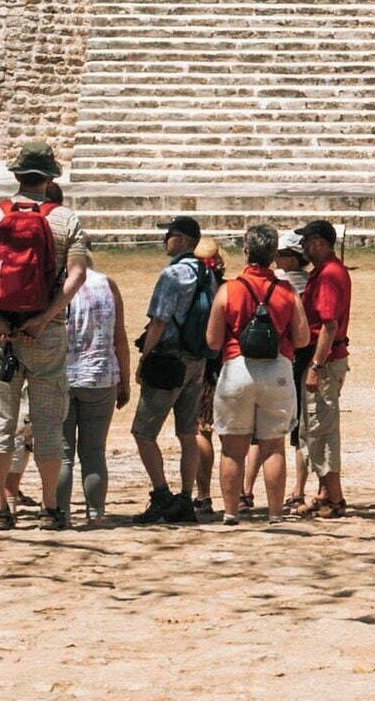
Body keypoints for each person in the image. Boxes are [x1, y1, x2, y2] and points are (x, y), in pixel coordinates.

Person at [0, 141, 89, 529]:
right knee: (49, 423)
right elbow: (78, 275)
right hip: (46, 332)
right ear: (49, 178)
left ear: (16, 175)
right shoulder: (65, 221)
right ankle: (51, 507)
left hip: (0, 334)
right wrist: (46, 317)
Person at [204, 221, 305, 521]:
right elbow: (302, 338)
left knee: (233, 448)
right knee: (274, 446)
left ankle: (232, 511)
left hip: (237, 367)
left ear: (246, 251)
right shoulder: (287, 290)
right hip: (276, 369)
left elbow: (212, 340)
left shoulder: (230, 289)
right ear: (274, 254)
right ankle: (275, 512)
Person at [128, 215, 215, 522]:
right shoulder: (209, 273)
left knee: (143, 431)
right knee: (188, 432)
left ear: (183, 240)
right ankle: (186, 497)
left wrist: (144, 358)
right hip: (197, 359)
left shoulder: (174, 275)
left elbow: (159, 320)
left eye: (170, 234)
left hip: (168, 358)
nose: (166, 240)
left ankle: (161, 494)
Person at [52, 245, 128, 526]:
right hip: (101, 375)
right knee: (94, 450)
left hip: (61, 375)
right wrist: (124, 379)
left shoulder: (57, 287)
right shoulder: (107, 284)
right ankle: (95, 513)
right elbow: (119, 337)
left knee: (63, 452)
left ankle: (61, 513)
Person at [292, 219, 355, 517]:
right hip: (322, 357)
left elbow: (328, 325)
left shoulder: (329, 275)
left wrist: (316, 365)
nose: (302, 247)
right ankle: (325, 492)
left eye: (306, 241)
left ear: (319, 242)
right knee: (312, 428)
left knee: (321, 427)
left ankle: (335, 498)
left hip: (324, 359)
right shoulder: (326, 272)